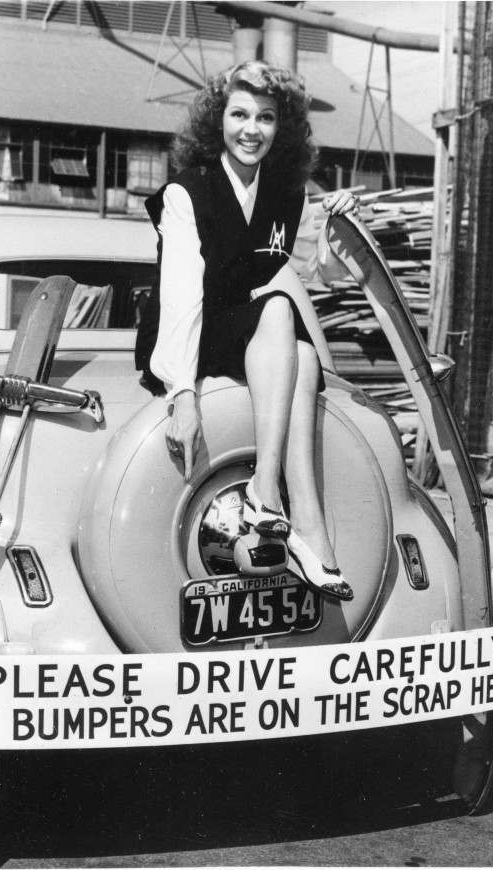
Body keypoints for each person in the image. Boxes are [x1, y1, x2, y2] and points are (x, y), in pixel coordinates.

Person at [135, 60, 360, 601]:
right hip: (186, 334)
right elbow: (182, 298)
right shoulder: (186, 193)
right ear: (218, 121)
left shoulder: (286, 192)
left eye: (265, 117)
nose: (250, 129)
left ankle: (306, 524)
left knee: (304, 357)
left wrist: (336, 225)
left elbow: (322, 275)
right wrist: (182, 395)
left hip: (246, 330)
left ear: (281, 128)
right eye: (239, 114)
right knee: (280, 310)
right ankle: (269, 492)